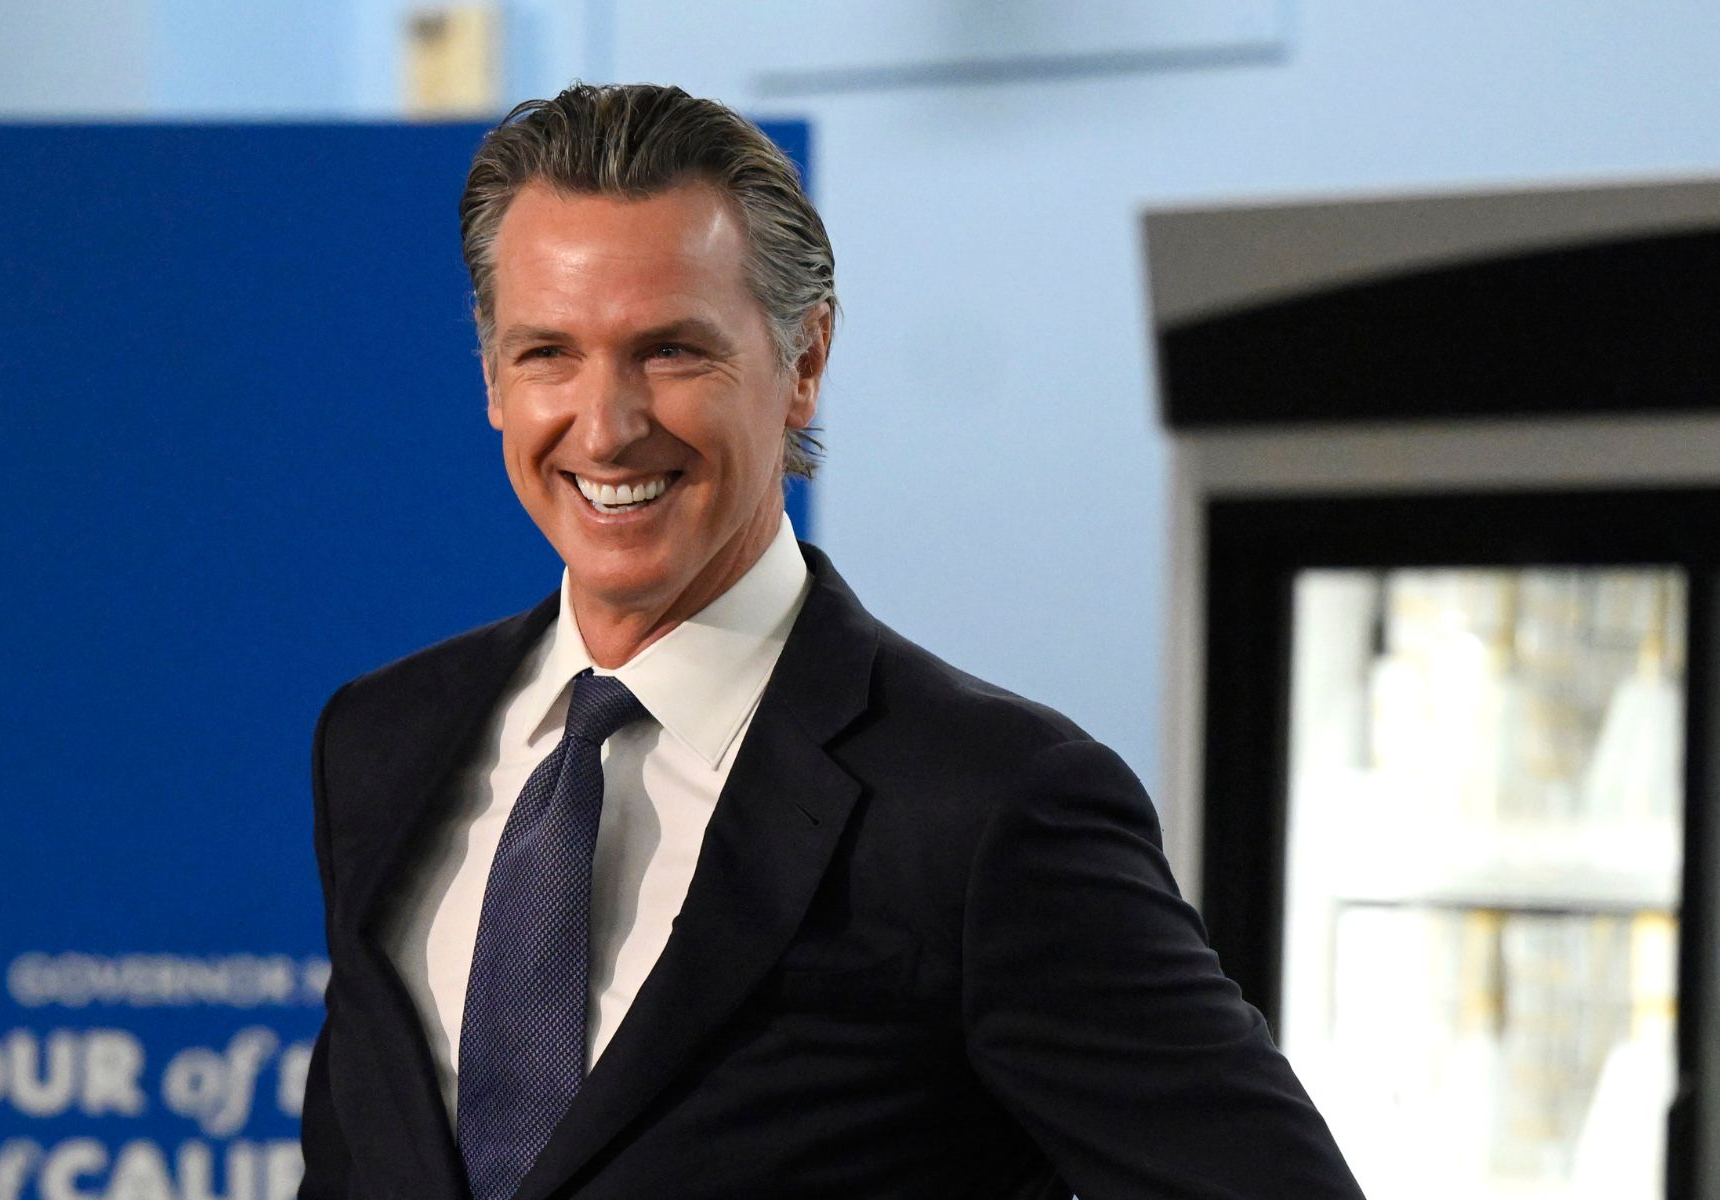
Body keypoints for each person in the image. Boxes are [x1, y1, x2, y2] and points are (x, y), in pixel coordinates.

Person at [299, 82, 1363, 1200]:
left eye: (669, 352)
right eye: (548, 354)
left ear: (804, 363)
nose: (605, 426)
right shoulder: (382, 742)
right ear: (491, 379)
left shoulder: (988, 810)